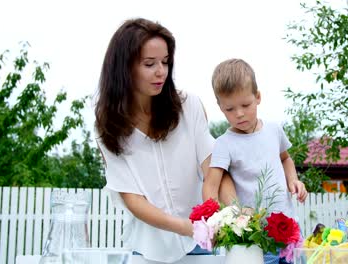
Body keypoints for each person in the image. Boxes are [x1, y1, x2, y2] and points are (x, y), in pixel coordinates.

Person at [94, 18, 235, 263]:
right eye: (150, 64)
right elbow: (132, 199)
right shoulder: (107, 126)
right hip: (148, 249)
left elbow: (214, 169)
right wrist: (185, 226)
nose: (161, 71)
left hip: (200, 243)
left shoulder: (188, 106)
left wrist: (235, 214)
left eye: (165, 62)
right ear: (124, 68)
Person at [202, 58, 308, 264]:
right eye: (229, 109)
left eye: (245, 105)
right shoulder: (225, 143)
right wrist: (213, 221)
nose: (239, 114)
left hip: (289, 230)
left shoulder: (274, 130)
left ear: (258, 97)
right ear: (220, 107)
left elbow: (285, 159)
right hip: (255, 236)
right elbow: (211, 185)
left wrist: (294, 180)